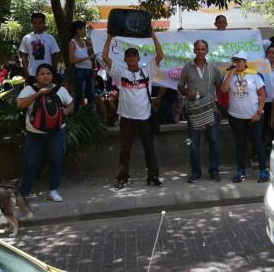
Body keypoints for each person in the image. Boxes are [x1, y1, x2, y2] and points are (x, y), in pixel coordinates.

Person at [102, 31, 164, 189]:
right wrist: (109, 37)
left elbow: (160, 55)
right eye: (128, 56)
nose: (131, 58)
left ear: (138, 58)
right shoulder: (120, 72)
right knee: (125, 150)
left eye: (134, 55)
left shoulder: (147, 71)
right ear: (125, 59)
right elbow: (105, 57)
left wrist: (153, 36)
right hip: (126, 118)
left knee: (149, 149)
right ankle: (122, 178)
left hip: (144, 117)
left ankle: (153, 176)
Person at [16, 64, 74, 202]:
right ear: (37, 76)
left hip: (56, 132)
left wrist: (66, 111)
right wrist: (39, 93)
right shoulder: (29, 89)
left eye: (48, 73)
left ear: (52, 75)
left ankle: (53, 191)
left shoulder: (61, 90)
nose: (46, 76)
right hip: (34, 134)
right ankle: (24, 193)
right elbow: (20, 104)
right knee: (31, 163)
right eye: (42, 73)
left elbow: (71, 103)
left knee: (56, 161)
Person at [177, 39, 224, 183]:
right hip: (194, 111)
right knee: (194, 143)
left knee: (214, 141)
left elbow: (221, 86)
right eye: (198, 49)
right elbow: (180, 86)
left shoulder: (213, 68)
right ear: (194, 51)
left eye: (203, 49)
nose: (200, 52)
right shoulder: (187, 67)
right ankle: (196, 173)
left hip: (211, 110)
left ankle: (214, 171)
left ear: (207, 51)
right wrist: (187, 92)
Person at [220, 51, 268, 183]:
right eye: (234, 60)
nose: (237, 63)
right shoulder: (230, 76)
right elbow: (223, 90)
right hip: (236, 116)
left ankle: (263, 171)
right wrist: (230, 73)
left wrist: (259, 112)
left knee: (257, 143)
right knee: (240, 144)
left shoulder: (255, 75)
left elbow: (262, 95)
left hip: (254, 116)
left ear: (245, 62)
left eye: (239, 60)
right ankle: (241, 171)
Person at [19, 12, 61, 84]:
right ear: (32, 24)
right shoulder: (26, 38)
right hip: (32, 74)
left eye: (40, 22)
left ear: (44, 23)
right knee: (32, 94)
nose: (37, 25)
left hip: (47, 74)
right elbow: (23, 56)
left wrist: (53, 72)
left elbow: (54, 56)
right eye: (35, 23)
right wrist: (26, 73)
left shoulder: (50, 38)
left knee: (47, 94)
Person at [68, 20, 96, 111]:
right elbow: (72, 60)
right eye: (84, 29)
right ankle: (78, 117)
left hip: (88, 70)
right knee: (80, 95)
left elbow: (92, 50)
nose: (85, 31)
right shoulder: (72, 43)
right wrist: (88, 58)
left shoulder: (84, 42)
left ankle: (90, 116)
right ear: (78, 30)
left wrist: (91, 39)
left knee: (91, 94)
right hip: (80, 71)